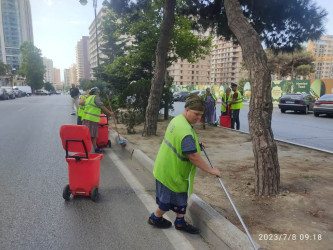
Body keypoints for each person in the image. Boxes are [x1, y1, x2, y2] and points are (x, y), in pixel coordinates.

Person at [148, 94, 221, 234]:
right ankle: (154, 218)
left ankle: (180, 222)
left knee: (180, 199)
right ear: (187, 109)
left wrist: (196, 144)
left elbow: (183, 143)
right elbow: (193, 156)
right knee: (166, 202)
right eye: (196, 114)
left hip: (168, 168)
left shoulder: (178, 120)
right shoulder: (185, 130)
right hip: (171, 173)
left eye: (200, 115)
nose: (198, 118)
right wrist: (211, 170)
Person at [81, 87, 114, 153]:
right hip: (91, 119)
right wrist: (110, 112)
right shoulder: (95, 97)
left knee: (91, 134)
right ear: (96, 92)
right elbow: (101, 106)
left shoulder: (88, 98)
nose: (99, 94)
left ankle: (94, 148)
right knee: (92, 135)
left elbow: (91, 107)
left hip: (85, 119)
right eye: (98, 92)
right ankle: (89, 149)